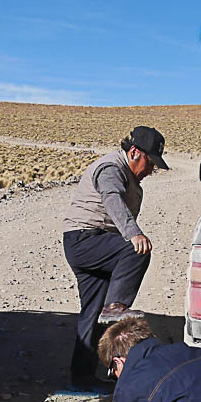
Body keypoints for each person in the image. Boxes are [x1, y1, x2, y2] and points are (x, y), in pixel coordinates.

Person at [62, 126, 167, 385]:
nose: (151, 170)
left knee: (92, 312)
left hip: (87, 243)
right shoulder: (111, 168)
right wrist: (134, 234)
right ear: (134, 152)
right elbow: (111, 199)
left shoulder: (129, 177)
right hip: (86, 239)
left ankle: (82, 378)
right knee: (137, 250)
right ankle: (115, 307)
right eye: (150, 162)